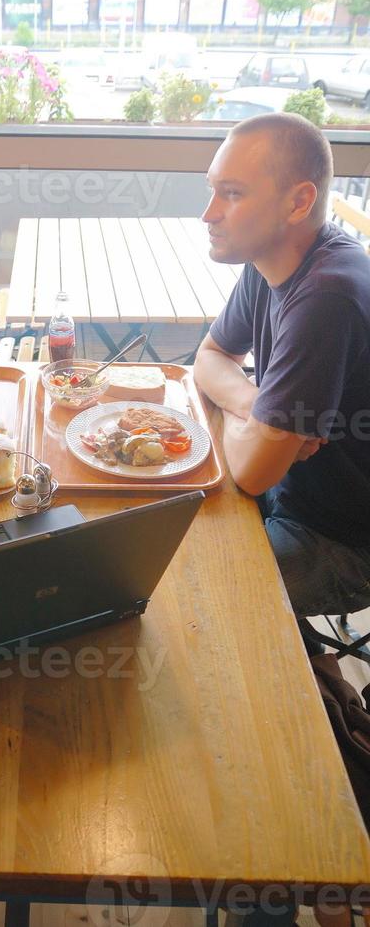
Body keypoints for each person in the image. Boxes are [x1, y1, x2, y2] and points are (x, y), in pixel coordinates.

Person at [194, 112, 370, 625]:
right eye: (212, 190)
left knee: (191, 586)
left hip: (341, 538)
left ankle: (309, 686)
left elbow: (250, 473)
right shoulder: (271, 258)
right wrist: (256, 406)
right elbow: (208, 357)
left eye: (231, 193)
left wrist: (259, 428)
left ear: (298, 202)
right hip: (287, 495)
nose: (209, 214)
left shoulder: (326, 295)